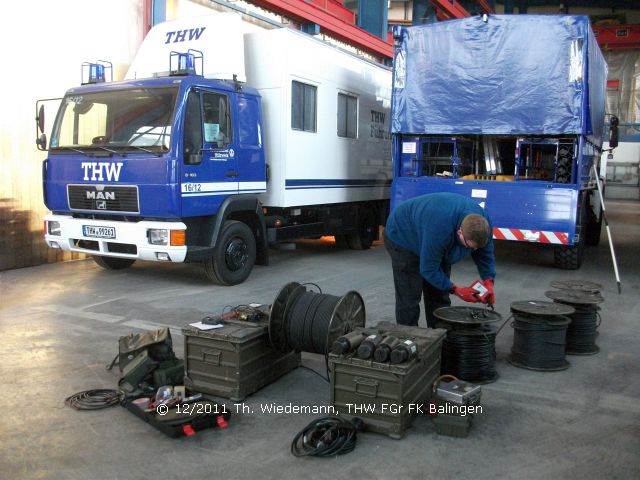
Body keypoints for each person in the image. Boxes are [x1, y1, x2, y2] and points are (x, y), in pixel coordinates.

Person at [384, 192, 496, 328]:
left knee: (439, 295)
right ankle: (409, 340)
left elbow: (486, 254)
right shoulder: (440, 229)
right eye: (469, 246)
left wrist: (488, 282)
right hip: (403, 235)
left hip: (433, 229)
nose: (472, 250)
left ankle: (439, 337)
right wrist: (457, 290)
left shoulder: (484, 224)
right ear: (460, 232)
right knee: (409, 296)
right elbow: (428, 269)